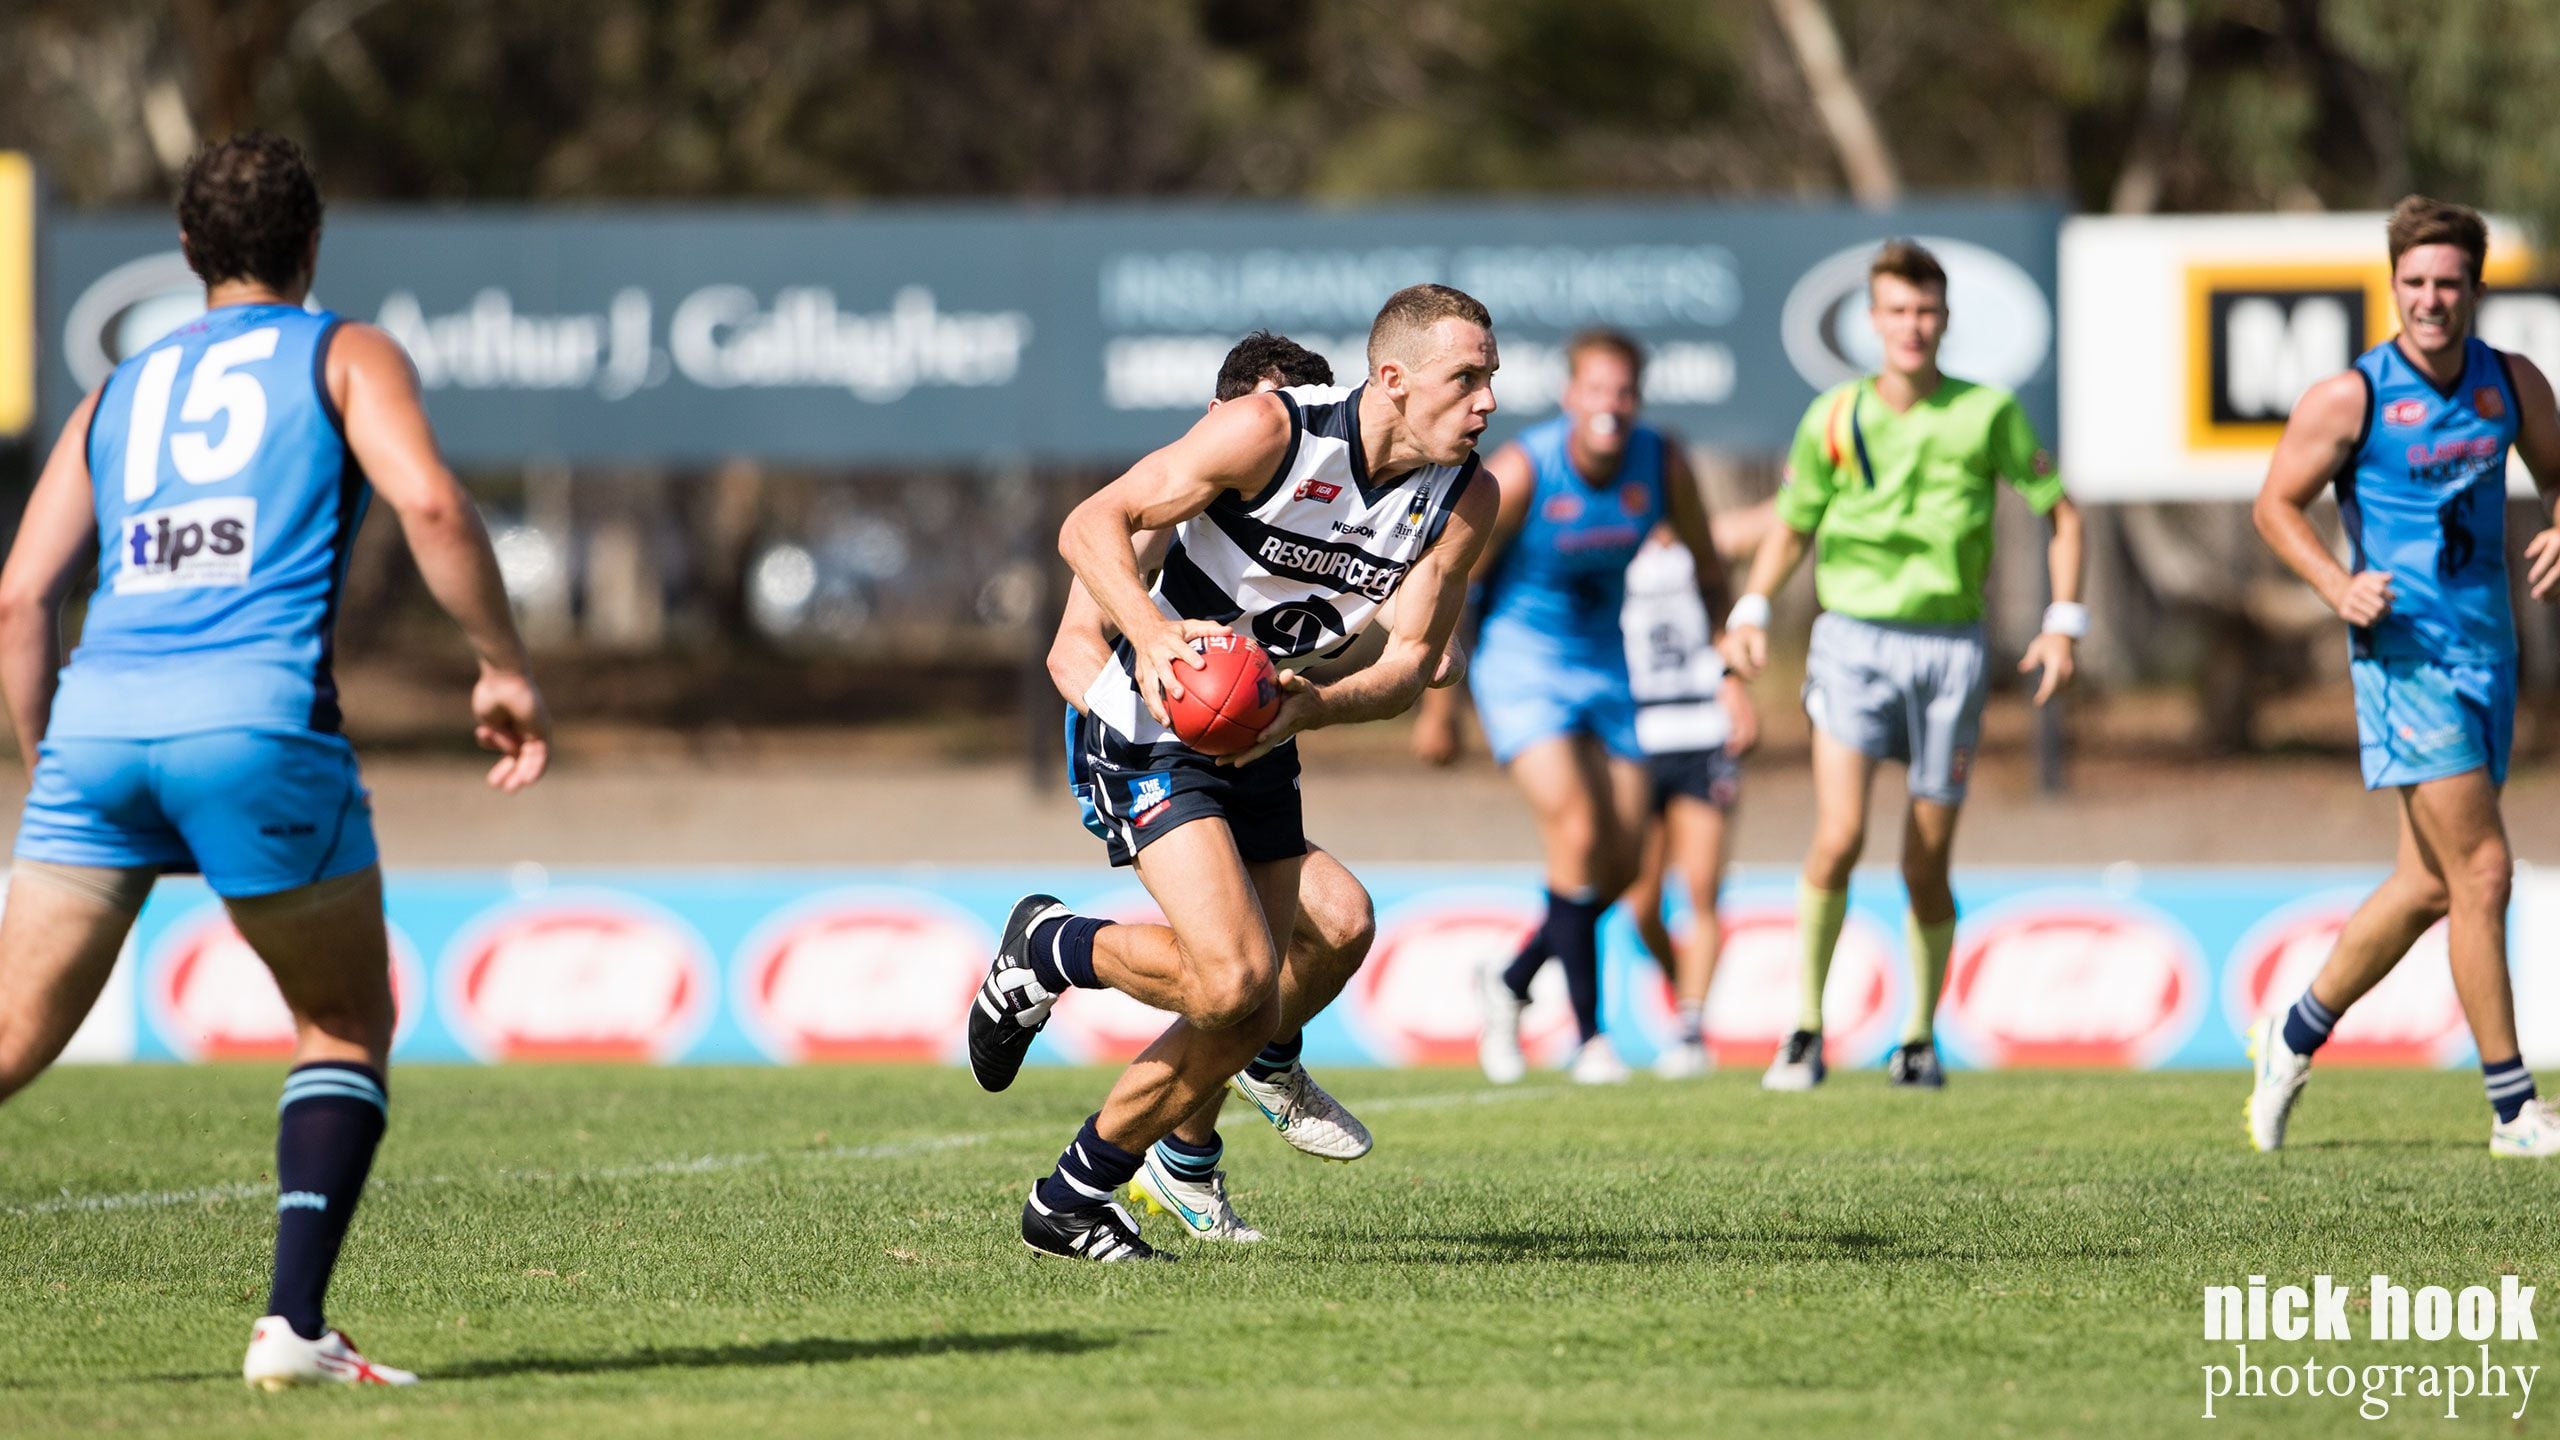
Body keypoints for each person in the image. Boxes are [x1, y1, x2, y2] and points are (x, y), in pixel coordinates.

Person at [0, 134, 550, 1384]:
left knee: (8, 1041)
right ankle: (292, 1333)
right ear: (312, 247)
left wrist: (56, 775)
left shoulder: (117, 389)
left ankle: (299, 1335)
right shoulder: (342, 352)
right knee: (344, 1021)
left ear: (190, 254)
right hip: (252, 727)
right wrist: (502, 663)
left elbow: (22, 599)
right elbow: (427, 504)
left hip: (95, 731)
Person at [969, 284, 1497, 1262]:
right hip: (1145, 717)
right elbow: (1089, 526)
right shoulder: (1261, 434)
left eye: (1490, 378)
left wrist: (1314, 701)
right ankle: (1060, 965)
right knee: (1235, 979)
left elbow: (1409, 667)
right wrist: (1157, 641)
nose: (1487, 401)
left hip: (1260, 733)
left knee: (1279, 973)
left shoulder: (1466, 498)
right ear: (1391, 379)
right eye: (1467, 377)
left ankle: (1093, 1180)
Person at [1721, 239, 2082, 1092]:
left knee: (1925, 860)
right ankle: (1805, 1029)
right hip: (1851, 640)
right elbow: (1795, 521)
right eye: (1896, 312)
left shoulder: (1987, 413)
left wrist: (2063, 622)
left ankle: (1918, 1039)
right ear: (1870, 321)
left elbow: (2061, 513)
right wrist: (1752, 604)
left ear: (1946, 319)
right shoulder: (1835, 415)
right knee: (1839, 835)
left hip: (1950, 650)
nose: (1911, 327)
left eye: (1925, 311)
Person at [2246, 195, 2560, 1156]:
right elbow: (2275, 505)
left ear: (2473, 288)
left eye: (2449, 284)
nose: (2431, 300)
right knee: (2485, 869)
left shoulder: (2510, 384)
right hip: (2402, 658)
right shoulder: (2355, 396)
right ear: (2393, 288)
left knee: (2429, 885)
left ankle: (2290, 1034)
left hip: (2487, 652)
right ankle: (2514, 1111)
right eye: (2415, 284)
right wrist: (2336, 585)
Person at [1413, 329, 1745, 1086]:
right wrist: (1439, 702)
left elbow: (1707, 568)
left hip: (1607, 664)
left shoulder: (1661, 464)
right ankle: (1590, 1038)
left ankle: (1512, 978)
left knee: (1627, 864)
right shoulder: (1525, 470)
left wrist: (1730, 661)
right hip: (1521, 664)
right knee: (1579, 829)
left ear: (1639, 400)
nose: (1611, 406)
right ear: (1571, 397)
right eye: (1596, 391)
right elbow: (1455, 575)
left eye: (1624, 392)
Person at [1618, 522, 1759, 1078]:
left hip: (1703, 730)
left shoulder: (1702, 548)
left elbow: (1771, 523)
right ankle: (1686, 991)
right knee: (1642, 906)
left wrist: (1735, 686)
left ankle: (1693, 1028)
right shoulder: (1608, 548)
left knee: (1701, 888)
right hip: (1637, 733)